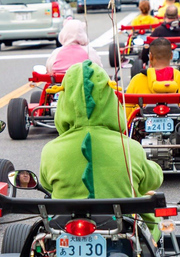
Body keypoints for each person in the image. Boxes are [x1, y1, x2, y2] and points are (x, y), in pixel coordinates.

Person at [40, 60, 163, 241]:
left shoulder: (51, 150)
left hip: (65, 230)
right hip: (122, 230)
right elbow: (151, 181)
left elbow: (47, 185)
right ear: (109, 99)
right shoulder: (129, 147)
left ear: (64, 102)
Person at [126, 37, 180, 119]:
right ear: (171, 56)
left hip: (142, 128)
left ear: (150, 57)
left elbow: (125, 113)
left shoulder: (137, 80)